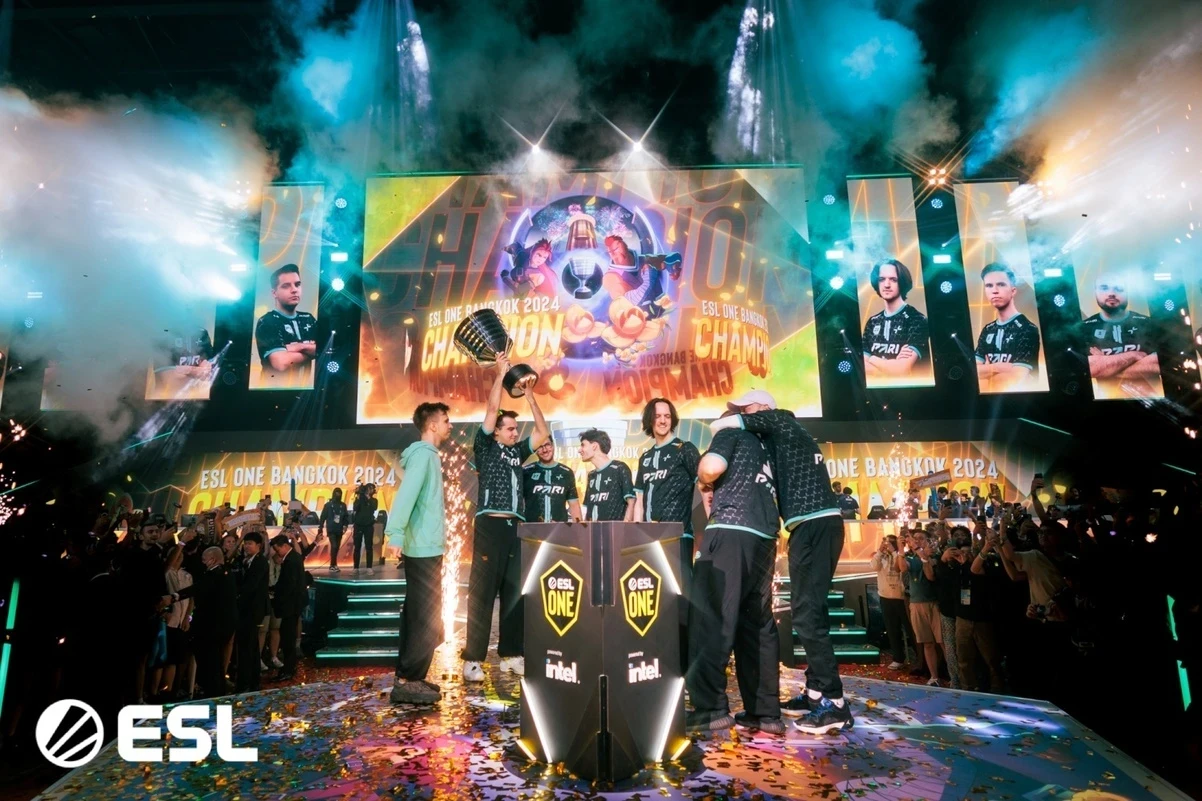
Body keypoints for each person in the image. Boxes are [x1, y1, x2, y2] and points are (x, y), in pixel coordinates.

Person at [710, 390, 851, 734]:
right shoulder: (780, 436)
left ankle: (835, 704)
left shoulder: (780, 420)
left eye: (746, 409)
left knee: (806, 614)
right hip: (812, 526)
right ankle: (815, 692)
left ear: (762, 408)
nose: (743, 414)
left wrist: (732, 425)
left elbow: (719, 426)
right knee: (811, 611)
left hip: (815, 524)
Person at [686, 417, 783, 735]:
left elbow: (711, 467)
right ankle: (765, 713)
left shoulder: (731, 433)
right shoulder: (768, 444)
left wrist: (704, 481)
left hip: (730, 528)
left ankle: (711, 709)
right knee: (758, 625)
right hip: (766, 536)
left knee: (710, 617)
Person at [462, 354, 549, 683]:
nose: (515, 432)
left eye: (515, 429)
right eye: (510, 428)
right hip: (490, 525)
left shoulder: (517, 452)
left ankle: (511, 655)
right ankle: (473, 659)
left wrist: (530, 397)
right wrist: (500, 374)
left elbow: (542, 432)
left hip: (515, 527)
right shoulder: (485, 447)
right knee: (483, 594)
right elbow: (490, 410)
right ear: (496, 432)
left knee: (514, 593)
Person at [387, 402, 452, 705]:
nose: (450, 425)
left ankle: (411, 676)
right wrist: (395, 533)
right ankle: (408, 681)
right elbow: (407, 495)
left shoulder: (428, 456)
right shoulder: (424, 456)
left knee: (421, 614)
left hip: (428, 547)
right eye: (446, 421)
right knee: (424, 617)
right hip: (423, 548)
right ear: (433, 425)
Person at [632, 397, 700, 671]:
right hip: (649, 541)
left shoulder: (685, 449)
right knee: (654, 601)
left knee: (681, 601)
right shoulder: (645, 457)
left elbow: (705, 485)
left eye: (667, 416)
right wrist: (636, 535)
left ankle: (685, 666)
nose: (662, 420)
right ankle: (657, 662)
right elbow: (639, 499)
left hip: (678, 537)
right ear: (650, 420)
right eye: (658, 415)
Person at [1081, 271, 1160, 389]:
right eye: (1104, 288)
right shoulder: (1084, 328)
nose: (1111, 293)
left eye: (1118, 288)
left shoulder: (1149, 324)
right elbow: (1090, 369)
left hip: (1154, 397)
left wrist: (1106, 367)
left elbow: (1157, 364)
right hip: (1103, 399)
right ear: (1095, 292)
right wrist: (1134, 355)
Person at [975, 262, 1042, 391]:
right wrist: (997, 367)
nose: (994, 291)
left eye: (1001, 284)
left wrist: (987, 372)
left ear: (1013, 290)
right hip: (989, 401)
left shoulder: (1027, 328)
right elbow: (972, 372)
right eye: (989, 285)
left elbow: (1015, 380)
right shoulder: (988, 330)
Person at [862, 259, 930, 378]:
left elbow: (901, 369)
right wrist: (889, 368)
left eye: (893, 279)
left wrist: (872, 358)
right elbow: (861, 364)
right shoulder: (873, 322)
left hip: (912, 388)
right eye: (881, 279)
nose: (886, 285)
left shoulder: (917, 320)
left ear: (902, 283)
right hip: (877, 389)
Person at [900, 529, 945, 687]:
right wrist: (900, 549)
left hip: (935, 603)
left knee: (943, 642)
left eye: (921, 538)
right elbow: (902, 568)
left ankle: (954, 675)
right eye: (915, 538)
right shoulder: (911, 559)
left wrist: (923, 554)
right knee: (927, 642)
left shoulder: (935, 556)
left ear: (928, 541)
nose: (917, 541)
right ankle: (934, 677)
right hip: (916, 603)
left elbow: (931, 576)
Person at [255, 264, 317, 374]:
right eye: (286, 286)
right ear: (274, 293)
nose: (294, 290)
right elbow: (281, 364)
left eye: (297, 284)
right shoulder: (267, 321)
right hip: (273, 384)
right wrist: (311, 350)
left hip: (305, 385)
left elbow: (325, 349)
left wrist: (299, 346)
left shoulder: (308, 319)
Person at [191, 546, 236, 698]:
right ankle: (217, 692)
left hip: (211, 627)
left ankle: (212, 694)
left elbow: (200, 592)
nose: (202, 563)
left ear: (212, 559)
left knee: (211, 664)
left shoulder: (214, 575)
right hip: (222, 626)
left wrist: (176, 596)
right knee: (216, 663)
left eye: (204, 560)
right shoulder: (227, 573)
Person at [233, 531, 269, 692]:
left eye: (250, 544)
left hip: (253, 610)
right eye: (245, 544)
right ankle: (252, 680)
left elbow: (251, 586)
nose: (246, 547)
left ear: (258, 546)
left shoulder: (260, 562)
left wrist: (238, 595)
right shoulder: (244, 561)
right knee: (250, 646)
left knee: (248, 646)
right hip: (247, 609)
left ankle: (246, 682)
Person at [270, 533, 305, 681]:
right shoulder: (294, 557)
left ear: (285, 546)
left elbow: (289, 585)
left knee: (288, 638)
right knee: (288, 637)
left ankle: (288, 669)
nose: (277, 553)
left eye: (278, 549)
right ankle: (289, 668)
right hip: (294, 605)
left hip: (290, 606)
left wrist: (277, 597)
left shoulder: (291, 560)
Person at [871, 535, 908, 670]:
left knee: (910, 629)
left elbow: (901, 568)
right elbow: (873, 566)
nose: (887, 545)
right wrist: (880, 551)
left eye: (891, 543)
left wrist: (894, 551)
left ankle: (920, 659)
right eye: (885, 543)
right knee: (892, 630)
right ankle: (898, 658)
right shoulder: (880, 557)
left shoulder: (901, 556)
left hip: (901, 598)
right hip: (885, 597)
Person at [580, 429, 635, 522]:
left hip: (616, 530)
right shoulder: (591, 475)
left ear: (594, 446)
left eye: (583, 445)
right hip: (593, 530)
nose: (579, 450)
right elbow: (588, 509)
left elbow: (631, 502)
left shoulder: (619, 468)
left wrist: (624, 527)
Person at [522, 439, 582, 524]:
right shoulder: (526, 471)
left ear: (553, 446)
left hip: (559, 529)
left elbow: (574, 505)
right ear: (535, 450)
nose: (545, 450)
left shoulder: (566, 472)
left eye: (547, 445)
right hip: (531, 528)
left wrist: (580, 529)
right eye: (540, 447)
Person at [318, 487, 348, 572]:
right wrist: (320, 527)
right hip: (331, 529)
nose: (338, 495)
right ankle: (332, 565)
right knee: (334, 546)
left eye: (340, 493)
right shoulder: (328, 505)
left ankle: (334, 564)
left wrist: (345, 525)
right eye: (337, 493)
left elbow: (346, 517)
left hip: (339, 529)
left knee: (337, 547)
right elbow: (323, 516)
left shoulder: (343, 505)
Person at [352, 484, 379, 574]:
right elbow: (355, 508)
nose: (372, 490)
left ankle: (369, 567)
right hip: (358, 525)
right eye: (370, 488)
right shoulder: (359, 499)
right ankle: (355, 568)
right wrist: (359, 497)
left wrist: (368, 498)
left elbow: (374, 508)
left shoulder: (374, 500)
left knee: (369, 547)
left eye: (373, 489)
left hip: (368, 526)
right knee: (357, 547)